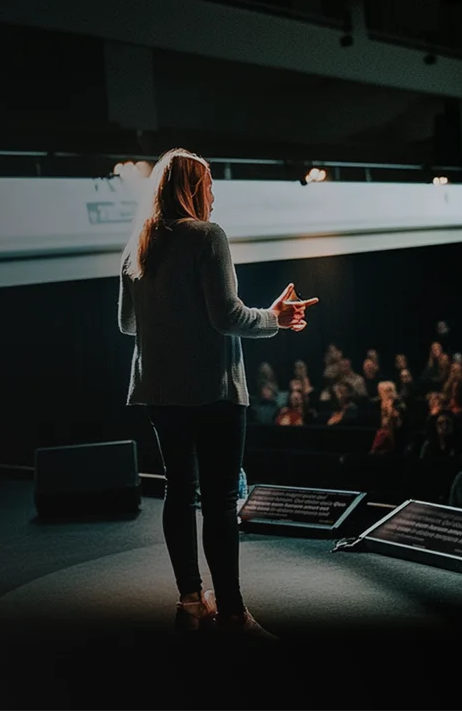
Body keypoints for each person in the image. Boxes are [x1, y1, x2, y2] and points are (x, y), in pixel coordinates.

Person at [118, 148, 318, 638]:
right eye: (209, 186)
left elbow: (127, 324)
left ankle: (191, 602)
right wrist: (274, 317)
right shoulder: (207, 236)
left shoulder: (138, 245)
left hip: (159, 392)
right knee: (220, 500)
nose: (213, 197)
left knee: (178, 492)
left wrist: (171, 318)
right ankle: (231, 613)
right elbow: (227, 317)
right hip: (213, 390)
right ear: (192, 188)